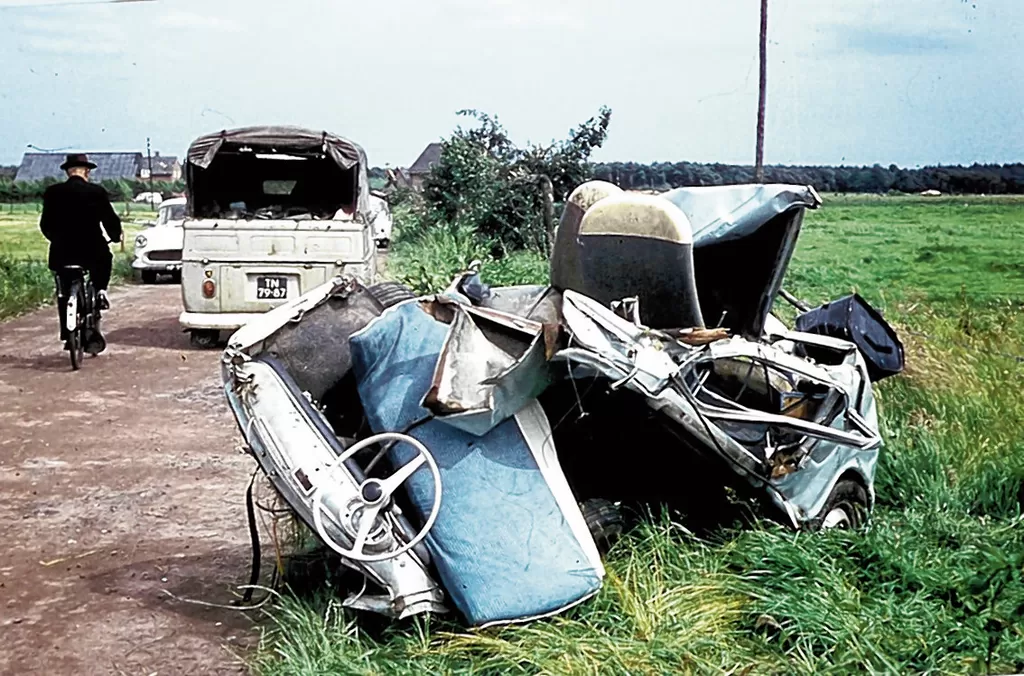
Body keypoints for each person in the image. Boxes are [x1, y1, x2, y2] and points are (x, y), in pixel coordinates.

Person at [39, 153, 122, 350]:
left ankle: (68, 335)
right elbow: (110, 220)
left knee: (64, 293)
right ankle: (101, 291)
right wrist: (115, 235)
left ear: (68, 171)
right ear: (86, 171)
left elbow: (45, 224)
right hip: (91, 248)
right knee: (105, 259)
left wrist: (56, 238)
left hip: (62, 251)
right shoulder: (96, 191)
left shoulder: (53, 192)